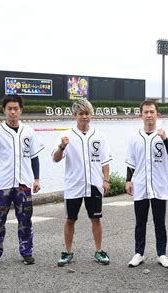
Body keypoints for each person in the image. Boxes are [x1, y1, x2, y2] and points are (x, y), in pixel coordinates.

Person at [0, 95, 45, 267]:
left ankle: (27, 252)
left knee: (25, 221)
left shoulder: (29, 132)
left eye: (16, 108)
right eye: (9, 108)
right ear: (4, 110)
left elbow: (34, 156)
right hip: (1, 185)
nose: (13, 111)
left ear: (21, 110)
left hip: (23, 185)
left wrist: (36, 178)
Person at [52, 99, 112, 266]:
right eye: (81, 114)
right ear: (75, 115)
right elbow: (55, 159)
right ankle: (68, 252)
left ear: (91, 115)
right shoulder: (67, 136)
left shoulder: (99, 136)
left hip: (94, 184)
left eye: (87, 113)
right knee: (70, 219)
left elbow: (105, 160)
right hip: (74, 185)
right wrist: (61, 147)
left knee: (96, 219)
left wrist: (106, 180)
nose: (84, 117)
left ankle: (99, 251)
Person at [125, 100, 168, 268]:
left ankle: (161, 254)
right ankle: (138, 253)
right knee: (140, 222)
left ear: (157, 114)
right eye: (146, 112)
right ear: (141, 115)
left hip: (159, 185)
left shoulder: (165, 133)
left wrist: (164, 139)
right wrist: (128, 180)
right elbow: (131, 162)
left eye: (152, 112)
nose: (149, 115)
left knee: (159, 222)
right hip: (141, 185)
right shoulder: (135, 137)